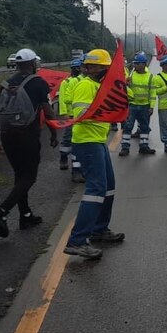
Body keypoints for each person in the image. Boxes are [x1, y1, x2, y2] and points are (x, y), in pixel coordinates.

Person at [0, 48, 58, 238]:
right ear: (33, 64)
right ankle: (1, 211)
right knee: (29, 177)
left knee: (20, 176)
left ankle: (25, 216)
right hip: (27, 136)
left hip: (7, 136)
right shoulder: (37, 83)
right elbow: (48, 112)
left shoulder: (5, 84)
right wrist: (53, 133)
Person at [63, 49, 124, 259]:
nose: (106, 71)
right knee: (95, 190)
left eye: (107, 68)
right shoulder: (85, 86)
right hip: (87, 142)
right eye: (102, 68)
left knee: (108, 187)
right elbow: (80, 114)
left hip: (98, 141)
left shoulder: (99, 86)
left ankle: (99, 229)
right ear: (89, 68)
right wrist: (107, 112)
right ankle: (77, 240)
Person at [119, 53, 159, 157]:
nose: (135, 65)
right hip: (132, 105)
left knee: (144, 127)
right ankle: (125, 147)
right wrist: (126, 84)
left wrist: (151, 107)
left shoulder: (150, 77)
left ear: (144, 64)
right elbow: (124, 89)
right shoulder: (131, 76)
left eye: (137, 63)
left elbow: (153, 93)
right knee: (128, 127)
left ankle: (144, 146)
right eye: (134, 63)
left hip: (145, 106)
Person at [58, 58, 86, 182]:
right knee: (67, 139)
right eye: (75, 68)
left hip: (79, 117)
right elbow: (63, 99)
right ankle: (63, 157)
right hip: (70, 116)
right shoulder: (67, 82)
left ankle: (78, 169)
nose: (76, 70)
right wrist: (64, 113)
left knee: (77, 144)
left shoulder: (83, 81)